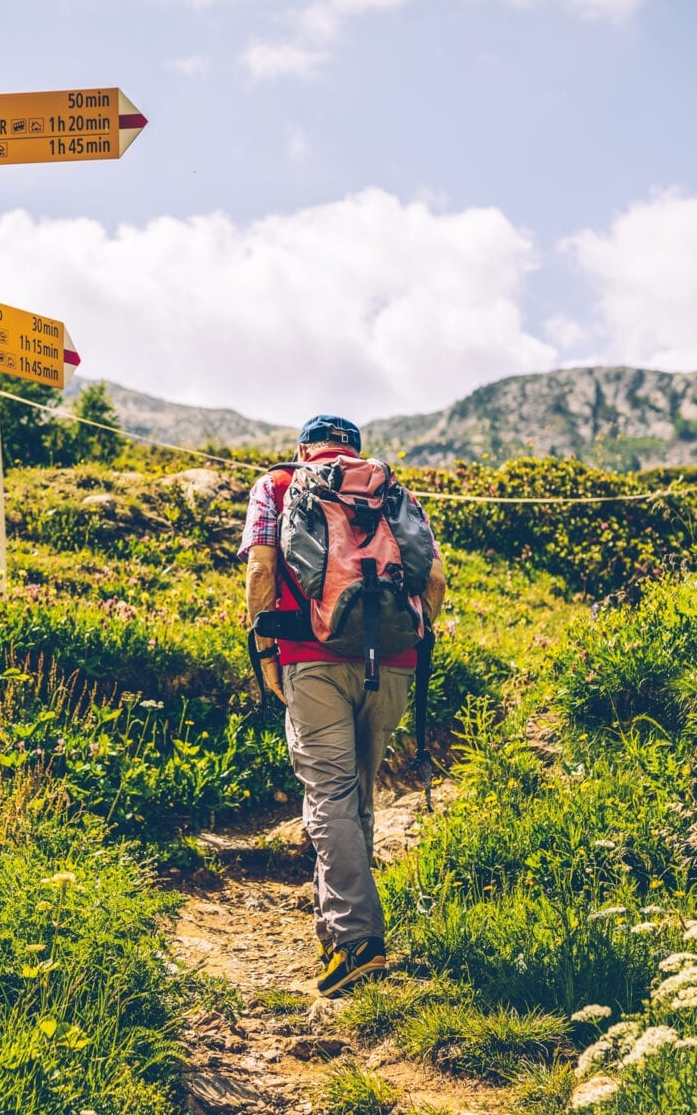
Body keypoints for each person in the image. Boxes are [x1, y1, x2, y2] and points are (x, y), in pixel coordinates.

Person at [241, 414, 447, 997]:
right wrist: (413, 635)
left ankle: (358, 943)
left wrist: (266, 650)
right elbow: (433, 575)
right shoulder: (390, 491)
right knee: (356, 793)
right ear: (356, 450)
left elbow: (261, 567)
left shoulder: (279, 485)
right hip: (397, 662)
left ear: (302, 448)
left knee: (328, 794)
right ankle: (339, 932)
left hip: (314, 655)